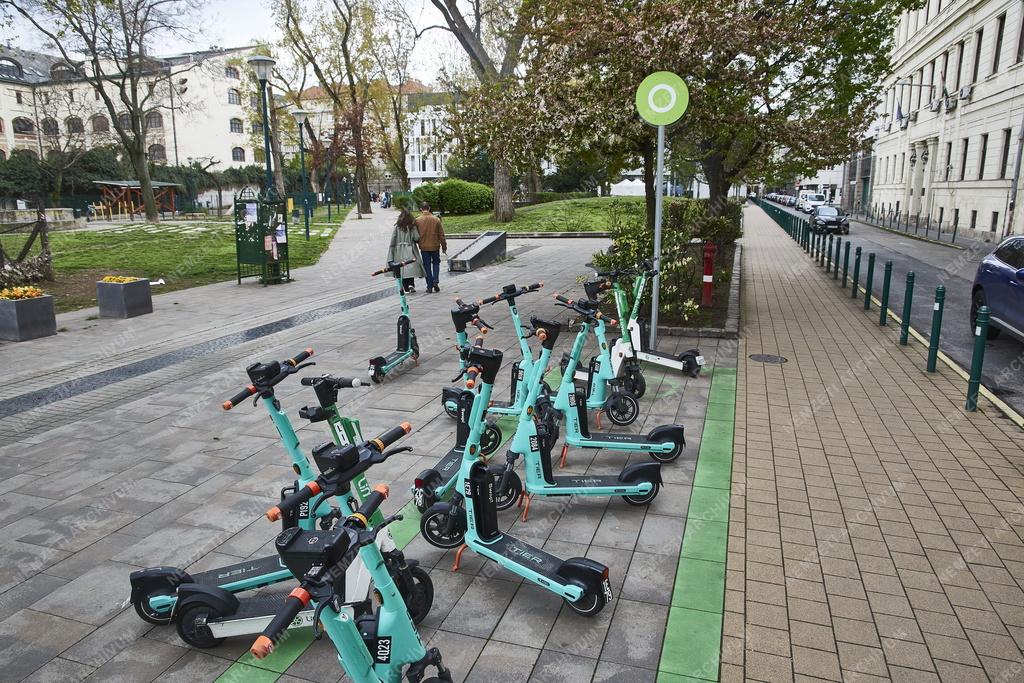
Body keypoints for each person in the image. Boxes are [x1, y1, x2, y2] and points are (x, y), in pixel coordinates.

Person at [387, 208, 425, 292]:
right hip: (410, 248)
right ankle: (411, 284)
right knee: (410, 267)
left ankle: (405, 286)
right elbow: (416, 237)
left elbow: (393, 239)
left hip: (399, 250)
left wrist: (392, 249)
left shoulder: (397, 226)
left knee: (402, 268)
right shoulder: (412, 226)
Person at [415, 202, 447, 293]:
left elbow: (415, 235)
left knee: (427, 266)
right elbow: (441, 235)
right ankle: (435, 281)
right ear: (429, 208)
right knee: (436, 263)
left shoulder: (417, 220)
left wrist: (418, 242)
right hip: (435, 246)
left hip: (424, 247)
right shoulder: (436, 219)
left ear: (421, 209)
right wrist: (444, 247)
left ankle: (429, 286)